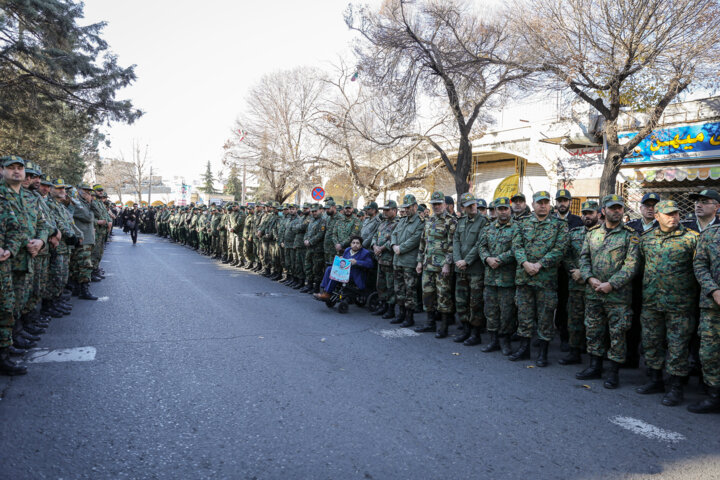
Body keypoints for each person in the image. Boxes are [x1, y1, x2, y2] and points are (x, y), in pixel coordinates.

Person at [636, 200, 698, 406]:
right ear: (657, 216)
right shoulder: (646, 239)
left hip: (680, 304)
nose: (673, 217)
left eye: (676, 214)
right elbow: (641, 265)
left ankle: (675, 387)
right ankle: (655, 380)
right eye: (668, 214)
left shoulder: (691, 239)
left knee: (678, 346)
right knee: (651, 341)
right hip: (652, 302)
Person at [578, 194, 640, 389]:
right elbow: (584, 259)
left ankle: (613, 372)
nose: (616, 211)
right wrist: (589, 278)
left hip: (617, 296)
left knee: (617, 334)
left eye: (619, 208)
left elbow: (631, 266)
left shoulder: (630, 235)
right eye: (612, 208)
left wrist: (611, 284)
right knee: (594, 330)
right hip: (594, 292)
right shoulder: (592, 234)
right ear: (603, 211)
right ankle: (594, 366)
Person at [510, 191, 569, 366]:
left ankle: (543, 352)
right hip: (525, 277)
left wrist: (540, 264)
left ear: (550, 205)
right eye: (539, 202)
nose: (543, 205)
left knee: (545, 316)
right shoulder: (522, 223)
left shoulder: (559, 225)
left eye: (546, 202)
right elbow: (516, 245)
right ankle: (524, 348)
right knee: (524, 314)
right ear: (533, 205)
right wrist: (525, 263)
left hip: (546, 279)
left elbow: (560, 249)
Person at [558, 200, 600, 366]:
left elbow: (605, 261)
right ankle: (574, 351)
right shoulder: (574, 233)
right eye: (585, 213)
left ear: (598, 214)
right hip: (576, 285)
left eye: (591, 213)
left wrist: (585, 274)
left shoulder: (604, 234)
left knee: (594, 324)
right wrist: (573, 271)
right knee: (574, 320)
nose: (587, 216)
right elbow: (566, 255)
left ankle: (594, 358)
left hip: (595, 286)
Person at [478, 197, 518, 356]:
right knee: (491, 310)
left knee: (507, 312)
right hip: (490, 278)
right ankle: (493, 340)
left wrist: (500, 260)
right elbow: (481, 247)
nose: (502, 212)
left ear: (510, 209)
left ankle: (505, 341)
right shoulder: (488, 228)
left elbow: (517, 249)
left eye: (505, 209)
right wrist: (487, 259)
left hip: (507, 279)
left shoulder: (517, 228)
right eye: (499, 209)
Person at [416, 191, 457, 338]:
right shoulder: (429, 220)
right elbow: (423, 242)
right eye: (434, 204)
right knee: (427, 294)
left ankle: (444, 327)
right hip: (428, 265)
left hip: (442, 267)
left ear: (445, 205)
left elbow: (452, 245)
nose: (437, 206)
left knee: (443, 296)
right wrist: (419, 262)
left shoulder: (451, 221)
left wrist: (447, 264)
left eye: (439, 204)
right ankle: (430, 323)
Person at [689, 222, 720, 413]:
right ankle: (714, 395)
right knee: (709, 353)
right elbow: (699, 263)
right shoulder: (710, 234)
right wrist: (713, 290)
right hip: (712, 305)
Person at [452, 192, 488, 346]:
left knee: (475, 302)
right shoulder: (460, 222)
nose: (473, 208)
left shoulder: (484, 222)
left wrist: (466, 261)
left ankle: (475, 333)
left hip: (475, 269)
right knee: (461, 301)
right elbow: (456, 242)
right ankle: (465, 330)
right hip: (460, 269)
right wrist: (457, 260)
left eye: (474, 204)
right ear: (463, 208)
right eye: (469, 206)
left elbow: (480, 243)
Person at [391, 194, 424, 328]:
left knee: (410, 290)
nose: (406, 209)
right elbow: (394, 234)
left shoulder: (420, 222)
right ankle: (401, 314)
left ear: (415, 207)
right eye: (405, 207)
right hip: (397, 260)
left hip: (409, 262)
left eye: (409, 207)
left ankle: (409, 317)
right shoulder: (402, 220)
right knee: (398, 289)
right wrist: (393, 245)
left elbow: (416, 239)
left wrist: (401, 248)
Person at [314, 236, 374, 300]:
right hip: (345, 271)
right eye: (353, 243)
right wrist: (341, 259)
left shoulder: (365, 253)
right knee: (329, 269)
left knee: (337, 273)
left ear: (361, 245)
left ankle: (327, 294)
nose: (355, 245)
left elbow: (370, 264)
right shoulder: (347, 250)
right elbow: (344, 261)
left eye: (357, 243)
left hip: (355, 274)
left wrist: (357, 262)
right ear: (350, 244)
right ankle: (325, 291)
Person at [370, 200, 400, 320]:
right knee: (380, 284)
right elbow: (374, 236)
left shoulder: (398, 223)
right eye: (384, 210)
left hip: (389, 259)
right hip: (380, 259)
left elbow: (395, 239)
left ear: (394, 210)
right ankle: (382, 305)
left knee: (390, 285)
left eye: (387, 210)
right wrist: (374, 246)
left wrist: (381, 248)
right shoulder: (382, 223)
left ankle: (390, 308)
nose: (385, 212)